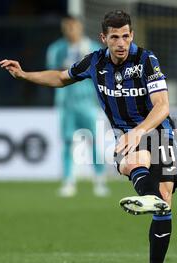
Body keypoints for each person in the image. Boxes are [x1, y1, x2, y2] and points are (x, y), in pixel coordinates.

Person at [0, 10, 177, 263]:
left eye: (125, 36)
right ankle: (149, 200)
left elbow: (162, 106)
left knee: (165, 203)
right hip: (127, 136)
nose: (120, 43)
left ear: (131, 35)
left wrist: (139, 131)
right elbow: (61, 77)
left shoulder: (147, 60)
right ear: (104, 38)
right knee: (133, 161)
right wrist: (24, 74)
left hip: (158, 131)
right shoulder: (94, 61)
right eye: (114, 37)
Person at [46, 15, 109, 197]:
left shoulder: (93, 49)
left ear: (80, 27)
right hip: (66, 102)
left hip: (88, 102)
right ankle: (68, 181)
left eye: (73, 27)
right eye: (67, 27)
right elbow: (52, 72)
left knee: (94, 140)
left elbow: (103, 73)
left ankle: (99, 180)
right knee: (67, 142)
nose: (70, 31)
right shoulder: (57, 49)